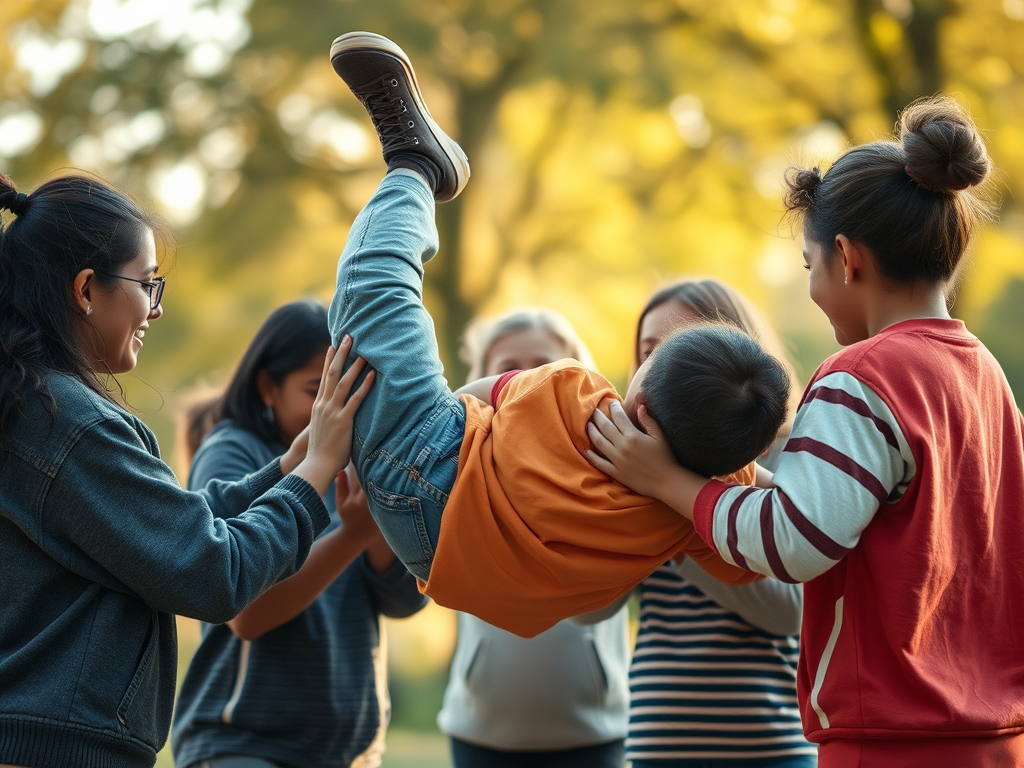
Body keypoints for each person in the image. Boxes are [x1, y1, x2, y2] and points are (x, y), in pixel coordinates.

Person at [587, 97, 1024, 767]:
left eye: (808, 264)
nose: (813, 288)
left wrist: (668, 483)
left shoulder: (862, 374)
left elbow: (795, 540)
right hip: (992, 736)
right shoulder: (987, 378)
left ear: (846, 258)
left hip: (889, 740)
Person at [324, 31, 790, 639]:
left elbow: (484, 392)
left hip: (427, 478)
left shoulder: (581, 397)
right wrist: (709, 480)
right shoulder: (700, 508)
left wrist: (432, 413)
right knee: (356, 339)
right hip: (455, 569)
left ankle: (416, 164)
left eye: (649, 358)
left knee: (376, 284)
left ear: (643, 397)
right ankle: (412, 169)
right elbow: (768, 537)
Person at [0, 173, 373, 768]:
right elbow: (212, 572)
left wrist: (296, 459)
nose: (156, 307)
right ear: (85, 290)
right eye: (147, 284)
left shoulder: (33, 407)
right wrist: (319, 471)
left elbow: (177, 525)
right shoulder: (73, 426)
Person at [171, 299, 426, 768]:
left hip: (351, 754)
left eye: (354, 393)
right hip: (246, 746)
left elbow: (404, 601)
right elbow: (246, 614)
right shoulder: (234, 452)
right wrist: (350, 538)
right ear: (268, 385)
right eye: (319, 391)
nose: (338, 410)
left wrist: (376, 530)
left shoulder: (363, 458)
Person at [626, 280, 815, 768]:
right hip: (660, 743)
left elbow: (790, 612)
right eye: (649, 353)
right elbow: (587, 613)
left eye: (680, 346)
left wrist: (678, 498)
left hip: (770, 744)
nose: (660, 370)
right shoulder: (628, 463)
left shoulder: (784, 459)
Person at [437, 309, 630, 768]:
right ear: (482, 380)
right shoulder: (458, 469)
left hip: (594, 733)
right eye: (507, 368)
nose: (525, 379)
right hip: (479, 733)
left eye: (543, 365)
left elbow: (607, 599)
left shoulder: (608, 468)